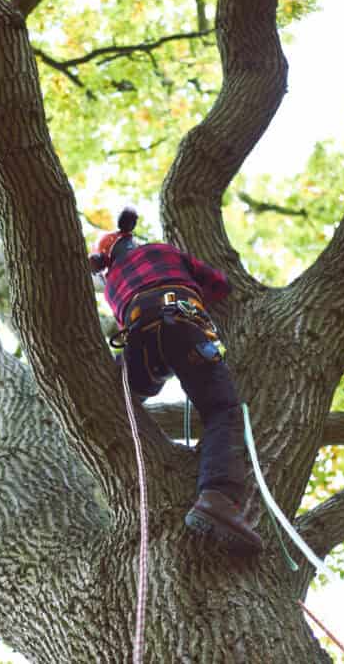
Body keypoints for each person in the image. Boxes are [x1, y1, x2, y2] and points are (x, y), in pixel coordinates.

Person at [90, 208, 262, 554]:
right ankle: (218, 498)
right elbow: (219, 284)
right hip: (182, 324)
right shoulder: (162, 252)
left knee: (139, 387)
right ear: (131, 240)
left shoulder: (111, 287)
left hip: (139, 338)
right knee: (222, 409)